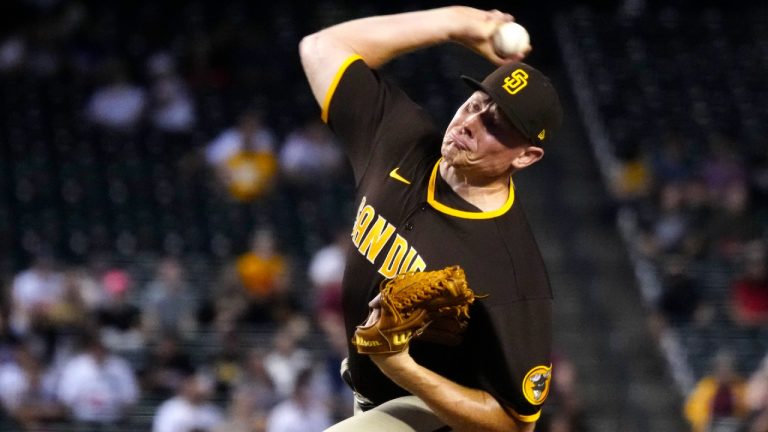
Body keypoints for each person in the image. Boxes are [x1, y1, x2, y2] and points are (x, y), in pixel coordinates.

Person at [299, 6, 561, 432]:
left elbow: (516, 424)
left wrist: (402, 367)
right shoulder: (400, 140)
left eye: (496, 124)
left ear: (527, 156)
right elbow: (322, 47)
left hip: (430, 416)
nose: (469, 123)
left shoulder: (513, 270)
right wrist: (453, 24)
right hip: (369, 400)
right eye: (475, 102)